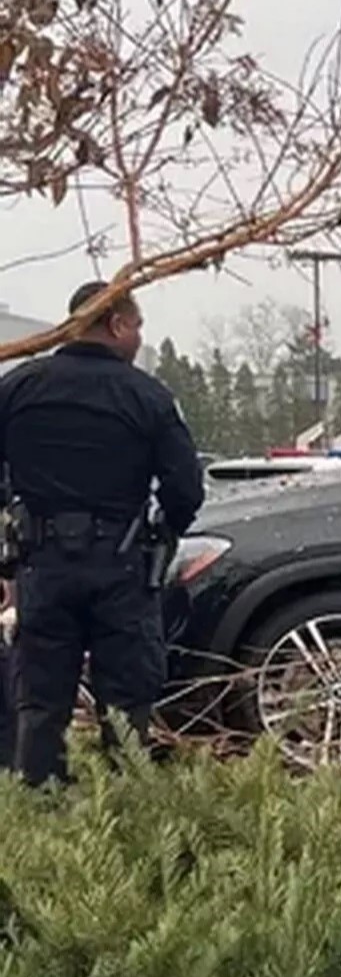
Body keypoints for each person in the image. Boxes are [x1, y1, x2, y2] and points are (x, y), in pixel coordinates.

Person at [0, 282, 204, 784]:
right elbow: (185, 487)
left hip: (42, 565)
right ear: (115, 324)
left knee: (41, 704)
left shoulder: (18, 387)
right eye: (136, 327)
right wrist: (163, 534)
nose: (138, 338)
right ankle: (122, 822)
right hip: (121, 567)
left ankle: (40, 819)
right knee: (126, 705)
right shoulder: (146, 395)